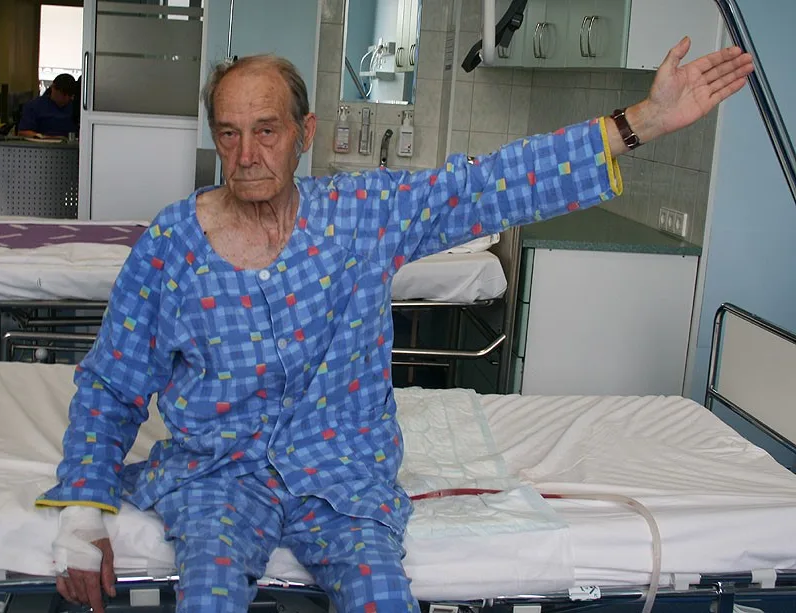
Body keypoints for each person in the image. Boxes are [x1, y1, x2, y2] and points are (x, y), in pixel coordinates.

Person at [37, 36, 753, 613]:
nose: (246, 155)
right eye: (229, 133)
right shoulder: (173, 244)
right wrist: (81, 516)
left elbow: (488, 184)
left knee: (380, 594)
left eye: (266, 130)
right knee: (209, 594)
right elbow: (114, 383)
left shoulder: (361, 216)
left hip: (341, 477)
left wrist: (641, 121)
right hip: (217, 476)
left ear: (304, 133)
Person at [17, 73, 77, 138]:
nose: (66, 99)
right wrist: (41, 137)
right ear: (53, 88)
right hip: (41, 142)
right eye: (64, 94)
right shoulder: (34, 106)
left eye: (70, 96)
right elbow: (23, 132)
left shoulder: (75, 108)